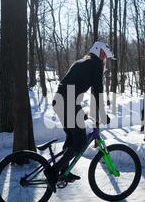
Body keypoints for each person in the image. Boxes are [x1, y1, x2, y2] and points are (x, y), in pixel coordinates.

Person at [45, 42, 115, 192]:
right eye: (105, 56)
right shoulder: (95, 65)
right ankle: (53, 171)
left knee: (72, 139)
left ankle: (64, 171)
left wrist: (82, 112)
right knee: (81, 141)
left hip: (61, 101)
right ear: (99, 52)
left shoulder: (82, 62)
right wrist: (102, 114)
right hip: (67, 102)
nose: (105, 60)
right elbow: (97, 92)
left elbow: (73, 86)